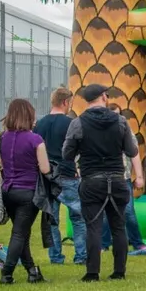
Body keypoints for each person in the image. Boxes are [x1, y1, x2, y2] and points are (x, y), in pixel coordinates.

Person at [62, 85, 141, 283]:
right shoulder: (120, 121)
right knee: (118, 226)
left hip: (91, 180)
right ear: (104, 97)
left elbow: (67, 154)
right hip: (117, 179)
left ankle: (92, 272)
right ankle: (119, 271)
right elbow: (132, 151)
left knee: (93, 227)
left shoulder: (78, 123)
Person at [0, 98, 52, 285]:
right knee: (19, 234)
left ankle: (32, 271)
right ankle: (7, 273)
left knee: (22, 233)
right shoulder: (35, 139)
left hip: (8, 190)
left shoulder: (3, 138)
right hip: (28, 191)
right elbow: (45, 168)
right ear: (29, 115)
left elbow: (2, 165)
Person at [34, 87, 87, 265]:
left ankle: (55, 257)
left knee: (52, 219)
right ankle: (81, 256)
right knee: (78, 217)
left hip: (47, 177)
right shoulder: (71, 123)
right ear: (65, 102)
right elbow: (79, 148)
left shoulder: (40, 124)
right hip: (67, 174)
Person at [102, 104, 146, 254]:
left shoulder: (126, 130)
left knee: (128, 212)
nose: (116, 118)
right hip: (105, 177)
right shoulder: (100, 132)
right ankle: (104, 244)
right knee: (105, 212)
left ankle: (137, 243)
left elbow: (135, 154)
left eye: (118, 114)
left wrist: (139, 176)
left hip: (124, 177)